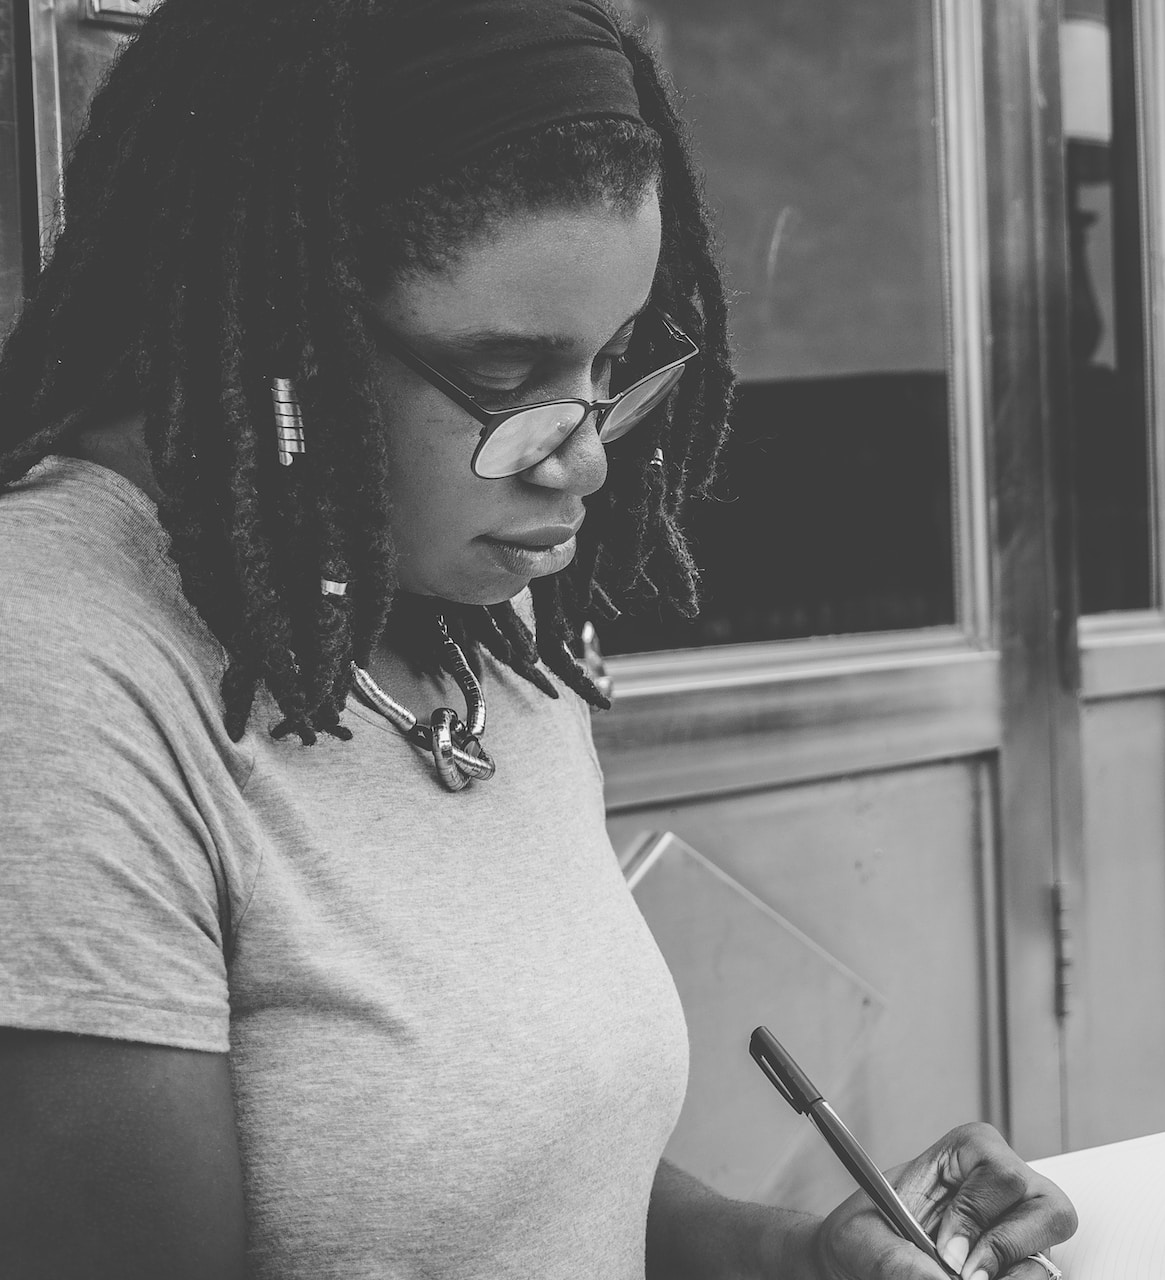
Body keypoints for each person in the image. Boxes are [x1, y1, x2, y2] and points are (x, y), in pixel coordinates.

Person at [0, 2, 1076, 1277]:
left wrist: (799, 1258)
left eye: (613, 363)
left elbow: (532, 1181)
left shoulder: (471, 612)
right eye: (507, 375)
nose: (582, 459)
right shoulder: (54, 666)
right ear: (285, 330)